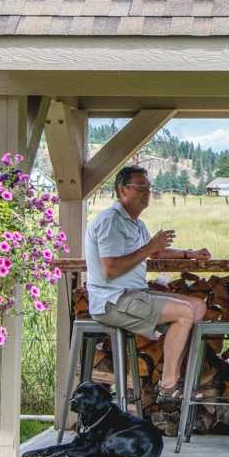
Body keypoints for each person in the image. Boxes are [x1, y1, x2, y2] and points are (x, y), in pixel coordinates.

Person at [85, 166, 213, 403]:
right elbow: (110, 269)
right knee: (184, 314)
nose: (147, 193)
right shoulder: (111, 222)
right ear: (123, 190)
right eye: (141, 188)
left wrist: (188, 253)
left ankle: (176, 375)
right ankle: (168, 386)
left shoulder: (135, 223)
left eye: (148, 188)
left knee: (197, 307)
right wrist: (150, 247)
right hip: (113, 300)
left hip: (134, 295)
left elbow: (155, 254)